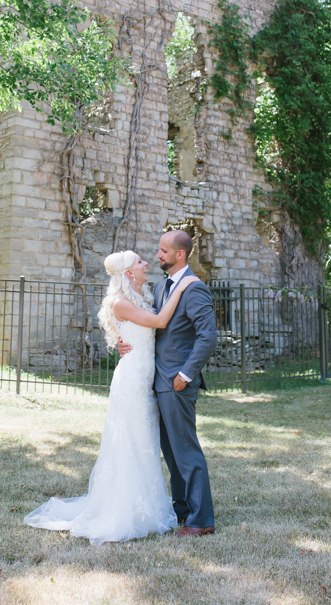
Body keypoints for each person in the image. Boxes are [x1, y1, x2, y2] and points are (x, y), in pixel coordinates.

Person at [23, 249, 199, 546]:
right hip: (131, 381)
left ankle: (149, 503)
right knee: (131, 442)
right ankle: (125, 509)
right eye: (141, 262)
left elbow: (145, 328)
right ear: (129, 273)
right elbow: (158, 323)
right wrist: (180, 288)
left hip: (145, 377)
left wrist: (124, 339)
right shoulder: (121, 302)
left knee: (145, 442)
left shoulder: (142, 297)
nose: (147, 264)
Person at [118, 230, 218, 537]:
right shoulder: (162, 287)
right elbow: (151, 326)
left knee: (185, 450)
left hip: (176, 382)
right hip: (156, 381)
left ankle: (202, 520)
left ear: (180, 255)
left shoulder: (194, 289)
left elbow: (208, 336)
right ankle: (183, 511)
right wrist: (124, 342)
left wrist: (185, 375)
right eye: (159, 250)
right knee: (171, 452)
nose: (158, 255)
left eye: (164, 251)